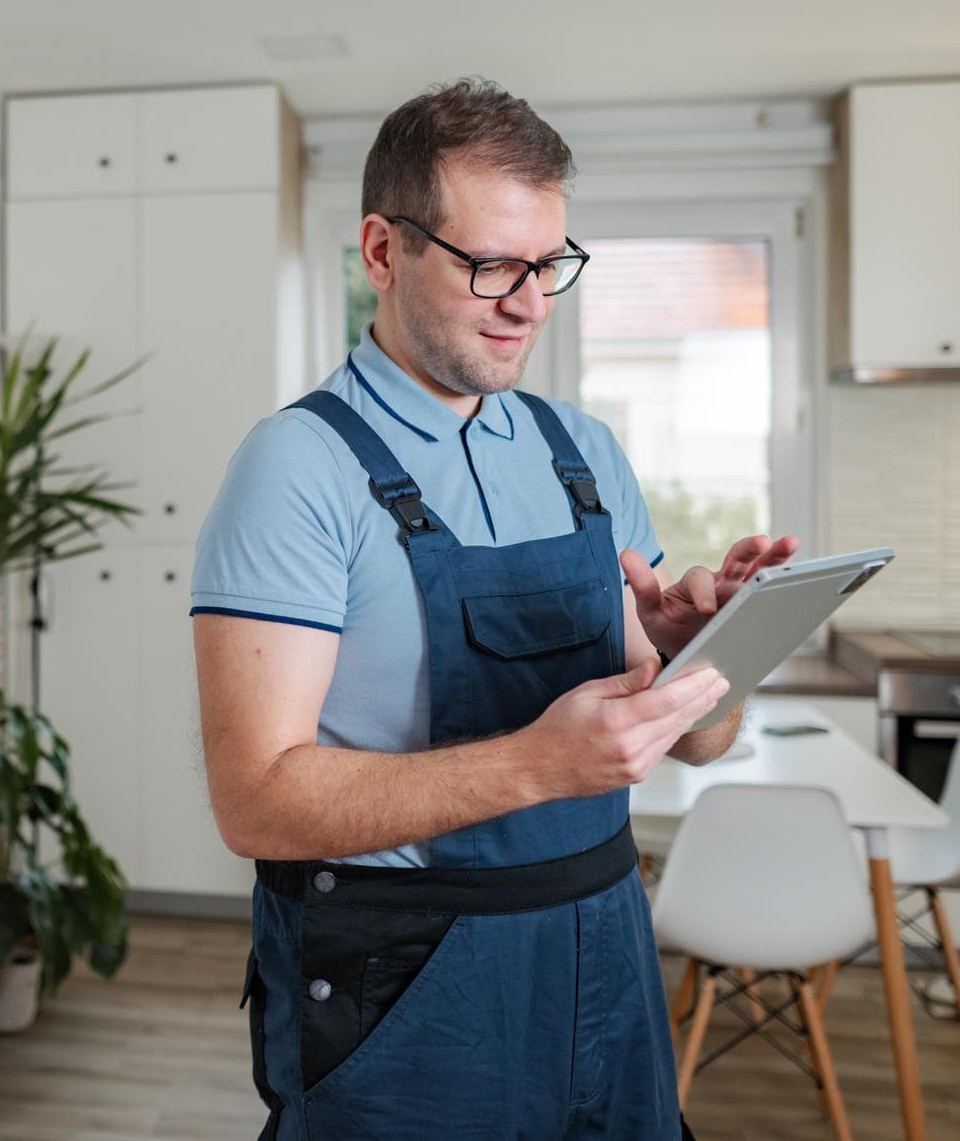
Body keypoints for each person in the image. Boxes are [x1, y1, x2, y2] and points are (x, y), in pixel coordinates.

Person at [191, 78, 798, 1140]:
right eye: (490, 265)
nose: (528, 302)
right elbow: (255, 803)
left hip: (605, 947)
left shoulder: (584, 454)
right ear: (382, 251)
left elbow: (703, 742)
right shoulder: (297, 465)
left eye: (548, 264)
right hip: (411, 985)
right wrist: (538, 764)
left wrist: (701, 653)